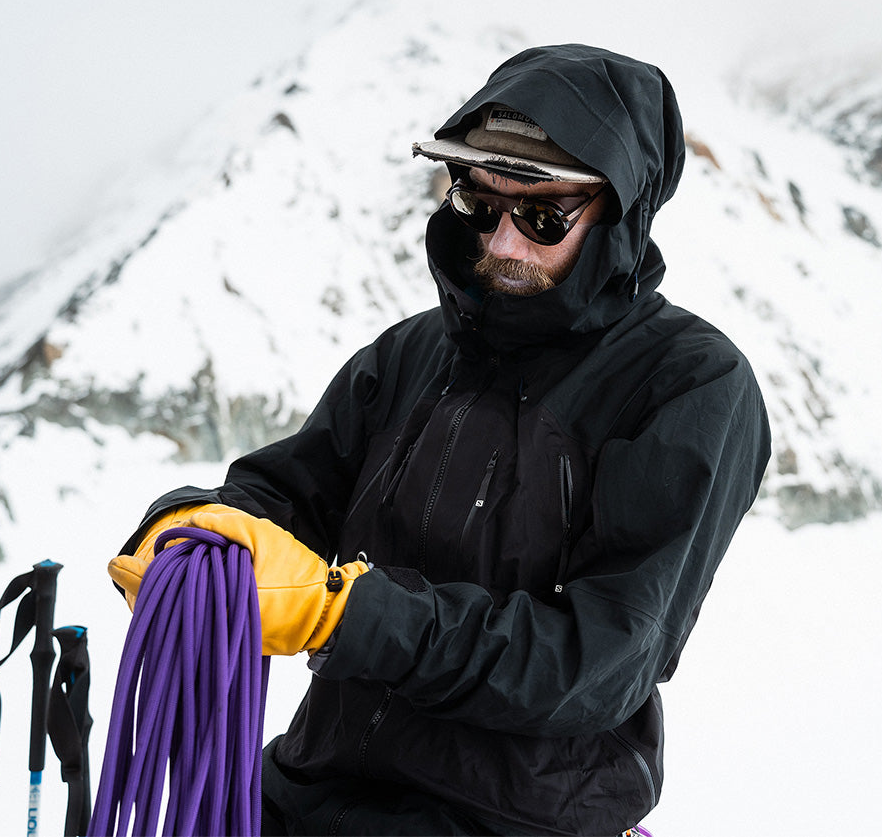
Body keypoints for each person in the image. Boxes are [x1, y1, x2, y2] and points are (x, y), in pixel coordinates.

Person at [108, 43, 771, 836]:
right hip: (314, 789)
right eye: (477, 203)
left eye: (542, 216)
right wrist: (187, 531)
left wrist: (343, 615)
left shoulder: (690, 385)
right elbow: (283, 496)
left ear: (619, 214)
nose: (503, 244)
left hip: (514, 820)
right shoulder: (415, 353)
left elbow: (598, 660)